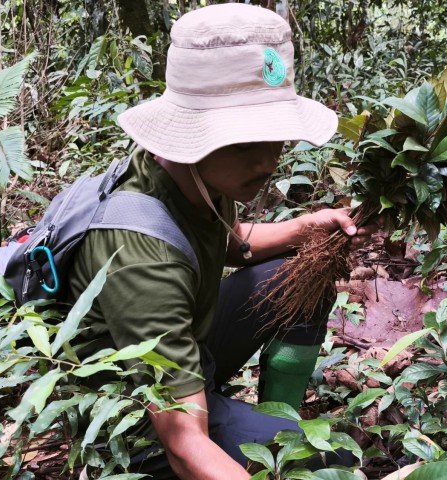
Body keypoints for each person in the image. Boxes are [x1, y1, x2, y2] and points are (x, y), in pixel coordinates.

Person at [67, 4, 374, 479]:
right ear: (190, 135)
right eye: (246, 141)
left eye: (276, 137)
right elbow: (183, 443)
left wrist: (306, 229)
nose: (268, 161)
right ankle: (256, 437)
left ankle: (270, 416)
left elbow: (225, 243)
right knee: (329, 460)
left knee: (300, 274)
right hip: (139, 412)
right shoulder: (140, 253)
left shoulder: (192, 175)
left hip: (189, 350)